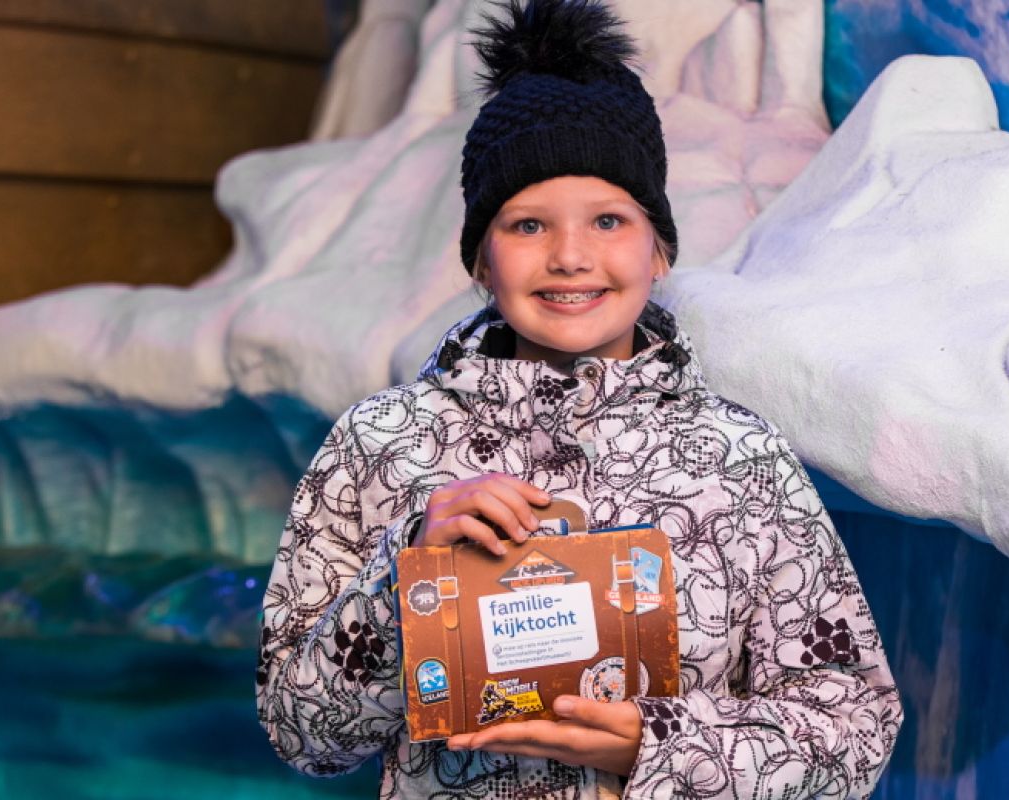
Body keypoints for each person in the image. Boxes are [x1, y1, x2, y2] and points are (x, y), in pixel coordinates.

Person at [254, 0, 903, 796]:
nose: (569, 256)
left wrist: (653, 745)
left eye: (607, 219)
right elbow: (299, 734)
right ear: (479, 259)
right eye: (527, 224)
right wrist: (405, 580)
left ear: (658, 247)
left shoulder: (742, 460)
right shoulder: (381, 443)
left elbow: (854, 726)